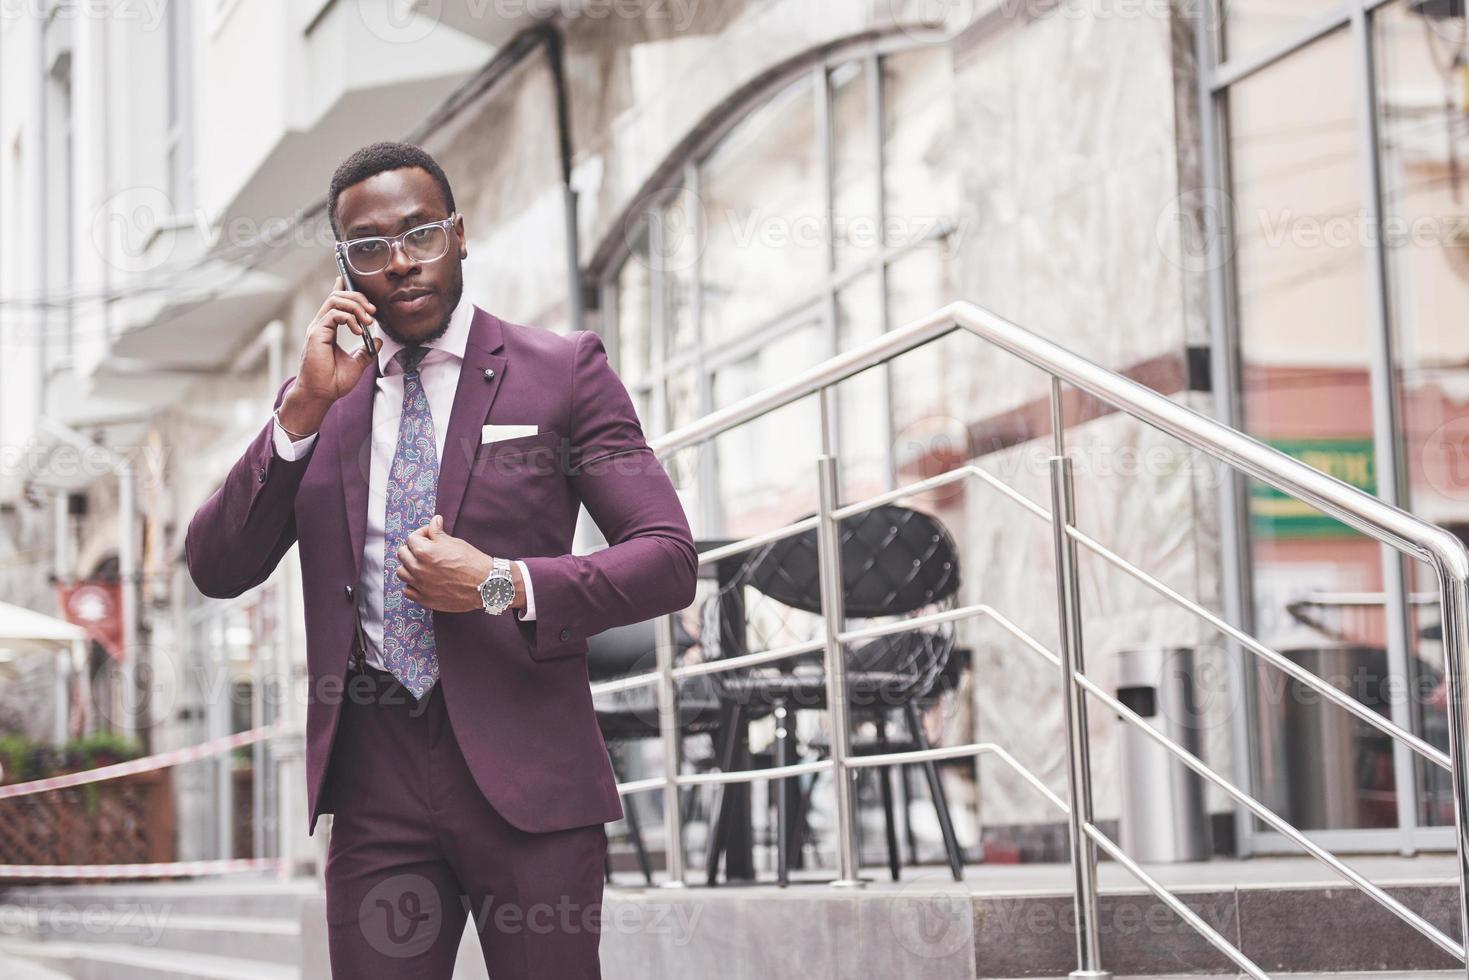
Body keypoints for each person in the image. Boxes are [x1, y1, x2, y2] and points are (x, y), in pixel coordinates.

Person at [185, 140, 698, 979]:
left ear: (460, 234)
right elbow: (216, 566)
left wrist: (500, 582)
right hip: (373, 778)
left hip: (528, 774)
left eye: (420, 233)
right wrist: (303, 408)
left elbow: (667, 560)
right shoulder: (325, 394)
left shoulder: (561, 372)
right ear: (345, 265)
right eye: (370, 247)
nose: (401, 262)